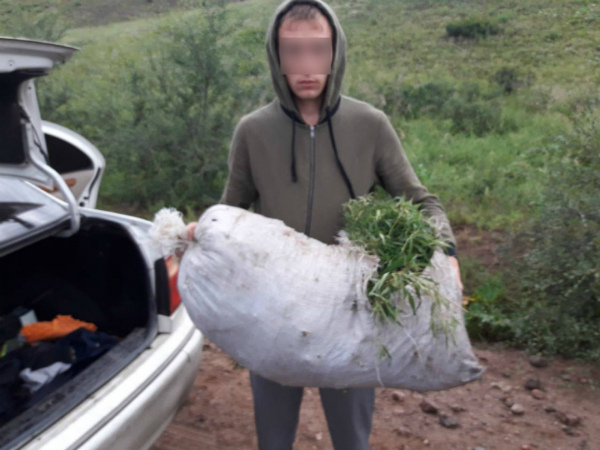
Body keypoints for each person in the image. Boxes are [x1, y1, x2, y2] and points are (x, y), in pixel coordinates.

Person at [184, 1, 463, 448]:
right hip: (273, 309)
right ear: (276, 56)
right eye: (293, 51)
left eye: (318, 50)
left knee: (351, 435)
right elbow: (231, 211)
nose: (307, 65)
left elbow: (421, 201)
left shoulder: (369, 125)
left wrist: (445, 254)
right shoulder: (253, 131)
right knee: (274, 435)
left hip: (351, 308)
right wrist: (199, 236)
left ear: (336, 53)